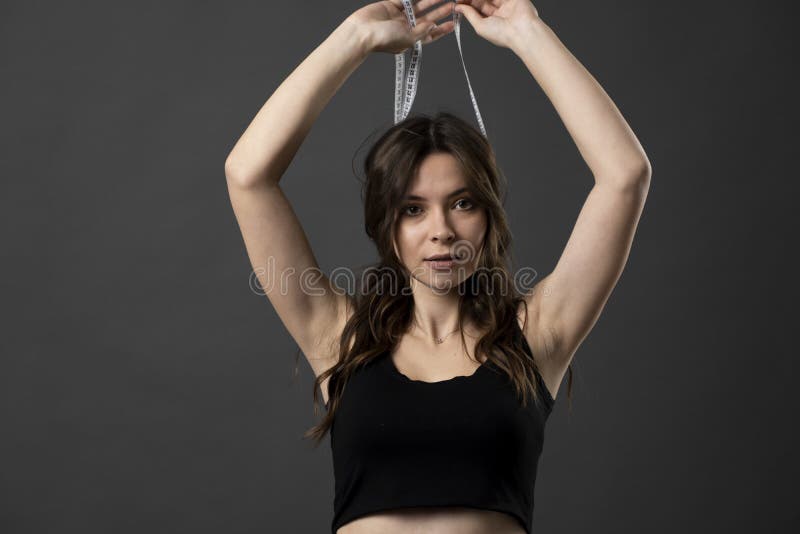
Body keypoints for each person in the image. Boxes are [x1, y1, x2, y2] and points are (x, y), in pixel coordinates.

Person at [224, 1, 651, 532]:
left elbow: (625, 176)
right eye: (412, 209)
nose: (441, 229)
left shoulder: (537, 332)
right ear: (386, 224)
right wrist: (354, 37)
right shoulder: (339, 337)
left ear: (489, 214)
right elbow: (247, 176)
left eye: (463, 203)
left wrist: (527, 32)